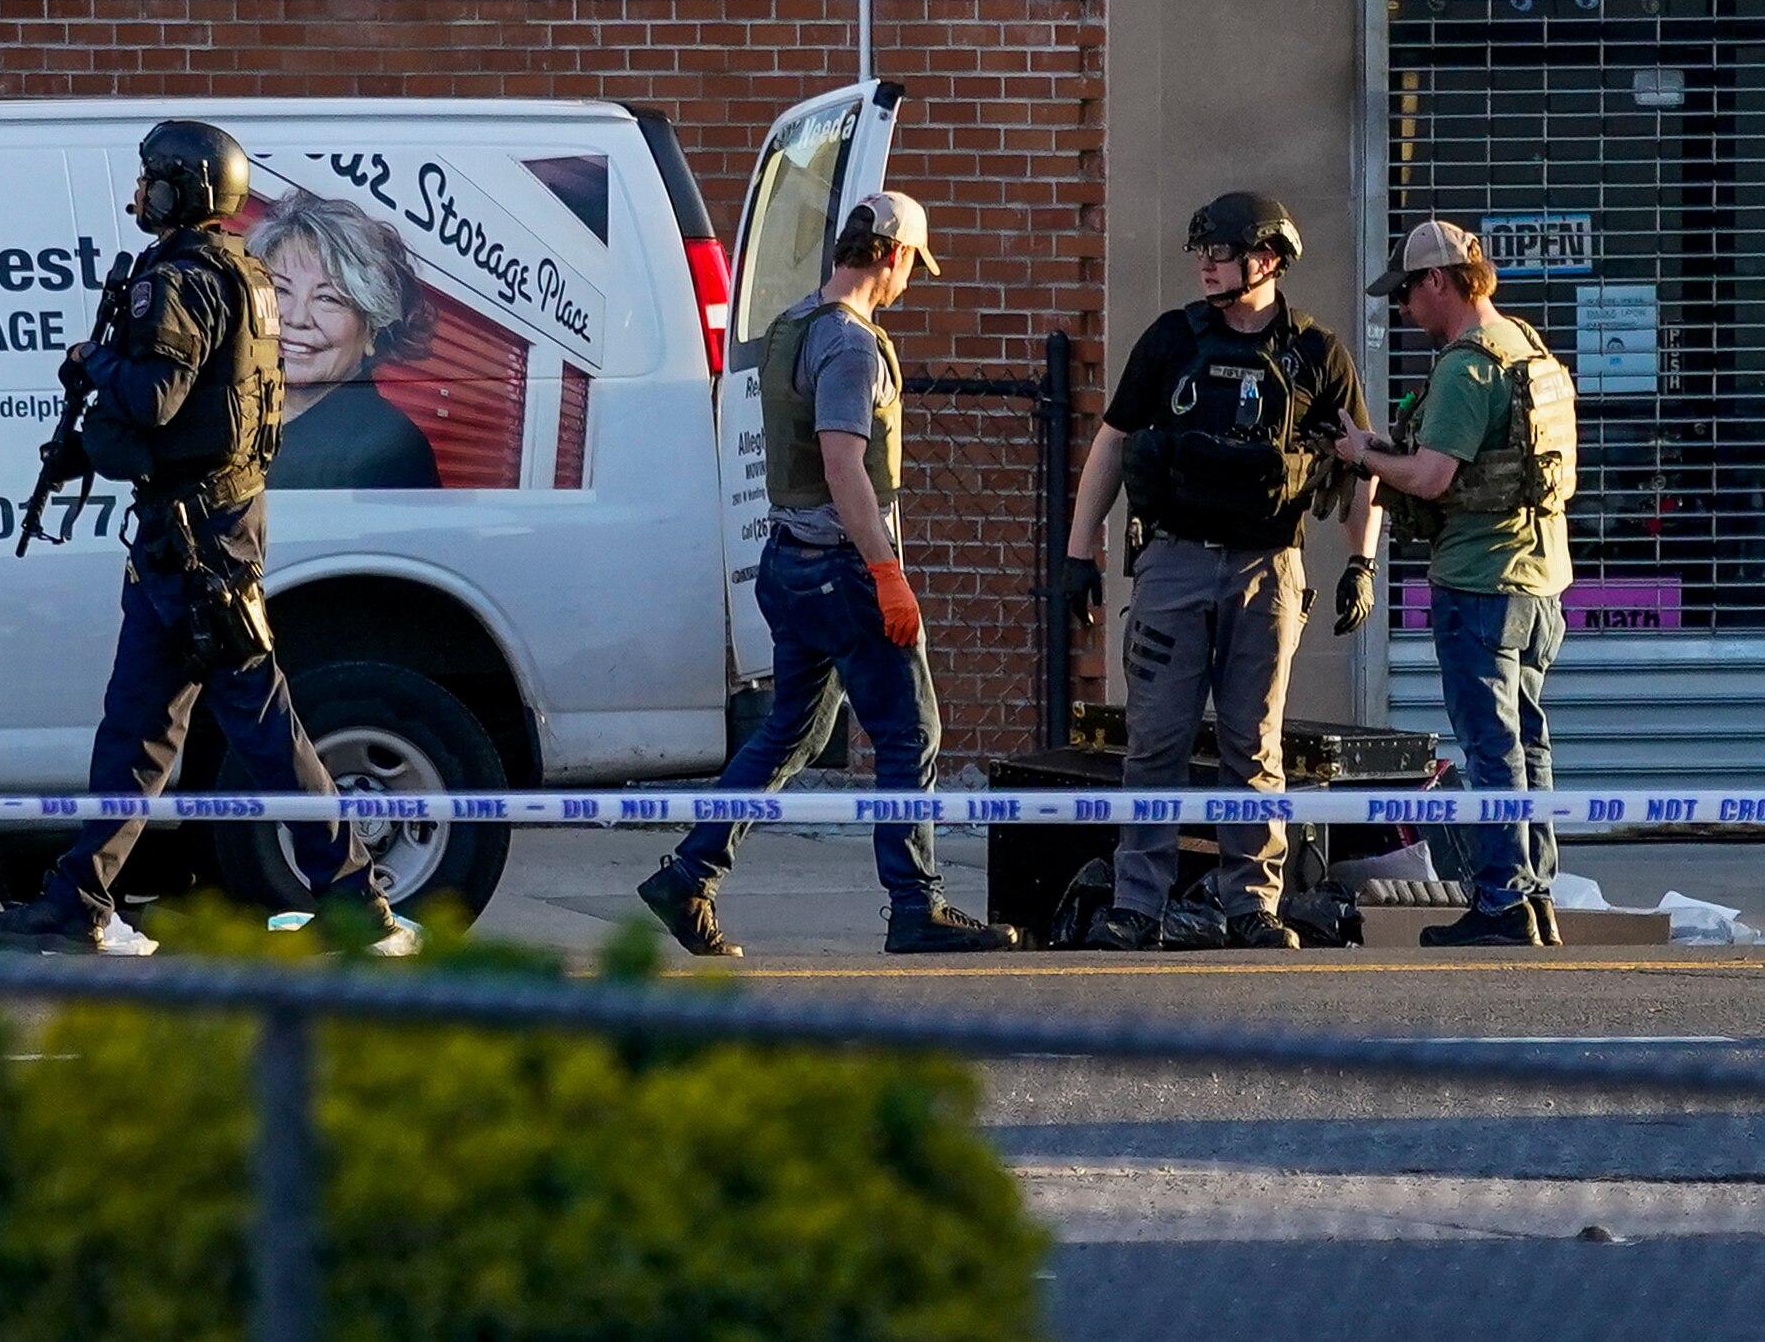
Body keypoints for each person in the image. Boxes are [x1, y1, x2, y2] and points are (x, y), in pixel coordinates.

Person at [0, 121, 410, 955]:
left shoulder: (175, 280)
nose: (140, 194)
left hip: (198, 537)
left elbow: (156, 399)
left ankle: (355, 896)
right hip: (202, 528)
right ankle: (80, 902)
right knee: (137, 725)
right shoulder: (241, 272)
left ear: (183, 189)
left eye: (150, 179)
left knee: (256, 718)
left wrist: (90, 364)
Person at [635, 191, 1018, 957]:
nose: (912, 283)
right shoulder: (849, 345)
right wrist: (886, 572)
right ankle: (917, 906)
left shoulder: (791, 326)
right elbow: (844, 463)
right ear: (895, 255)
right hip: (840, 571)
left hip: (787, 565)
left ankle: (688, 875)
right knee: (911, 732)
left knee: (793, 732)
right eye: (915, 266)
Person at [1063, 192, 1381, 952]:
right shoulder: (1172, 340)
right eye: (1201, 252)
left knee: (1254, 745)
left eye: (1221, 251)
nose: (1206, 264)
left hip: (1269, 569)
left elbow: (1363, 458)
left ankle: (1252, 907)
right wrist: (1079, 555)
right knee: (1155, 742)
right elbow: (1112, 443)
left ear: (1267, 258)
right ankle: (1138, 905)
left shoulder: (1317, 353)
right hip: (1174, 563)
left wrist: (1361, 560)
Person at [1337, 220, 1577, 948]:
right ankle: (1533, 896)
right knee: (1527, 743)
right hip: (1539, 583)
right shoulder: (1525, 348)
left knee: (1490, 747)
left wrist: (1361, 455)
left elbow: (1434, 476)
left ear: (1438, 282)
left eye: (1408, 293)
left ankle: (1503, 904)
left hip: (1480, 584)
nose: (1405, 310)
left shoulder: (1467, 365)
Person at [248, 190, 442, 491]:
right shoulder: (230, 416)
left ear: (373, 329)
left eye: (328, 298)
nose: (296, 318)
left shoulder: (391, 451)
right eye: (281, 290)